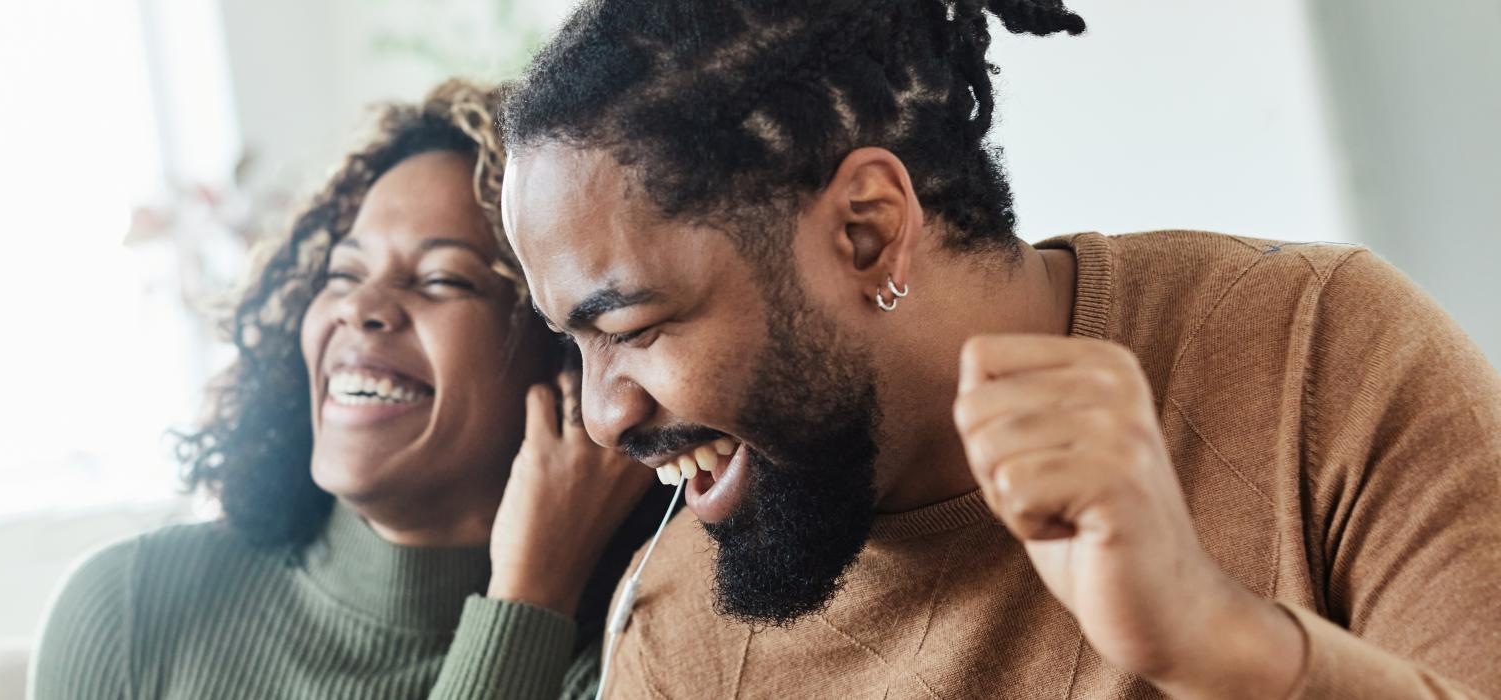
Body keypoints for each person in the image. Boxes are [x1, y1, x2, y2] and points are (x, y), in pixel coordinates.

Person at [493, 0, 1501, 698]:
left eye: (630, 327)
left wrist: (1211, 638)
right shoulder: (678, 631)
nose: (605, 411)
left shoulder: (1318, 357)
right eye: (574, 341)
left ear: (868, 232)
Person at [30, 80, 658, 700]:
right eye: (344, 272)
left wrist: (530, 599)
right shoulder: (129, 609)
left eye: (442, 280)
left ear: (567, 361)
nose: (359, 306)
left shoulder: (630, 653)